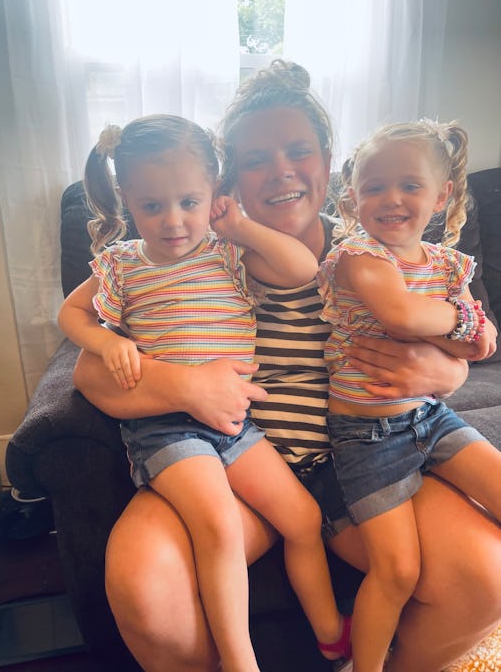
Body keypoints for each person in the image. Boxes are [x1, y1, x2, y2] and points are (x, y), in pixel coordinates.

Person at [73, 61, 501, 672]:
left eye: (299, 151)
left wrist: (450, 373)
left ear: (329, 164)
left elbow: (464, 325)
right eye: (255, 160)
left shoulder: (379, 251)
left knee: (486, 575)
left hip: (361, 468)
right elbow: (88, 371)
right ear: (228, 181)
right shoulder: (191, 257)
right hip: (231, 465)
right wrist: (188, 385)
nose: (280, 171)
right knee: (144, 586)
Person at [58, 113, 351, 672]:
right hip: (165, 427)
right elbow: (69, 312)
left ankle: (332, 635)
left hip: (236, 424)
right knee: (216, 525)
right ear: (127, 201)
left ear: (214, 195)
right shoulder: (122, 264)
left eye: (189, 203)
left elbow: (300, 268)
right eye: (152, 207)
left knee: (303, 518)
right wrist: (101, 342)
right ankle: (241, 662)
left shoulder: (225, 251)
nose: (172, 222)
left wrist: (238, 226)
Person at [317, 119, 499, 672]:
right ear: (352, 198)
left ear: (442, 195)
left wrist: (472, 333)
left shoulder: (449, 263)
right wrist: (467, 322)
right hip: (367, 439)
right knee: (395, 571)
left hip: (431, 418)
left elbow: (484, 345)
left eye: (410, 186)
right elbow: (400, 318)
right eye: (374, 187)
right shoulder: (359, 256)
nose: (391, 199)